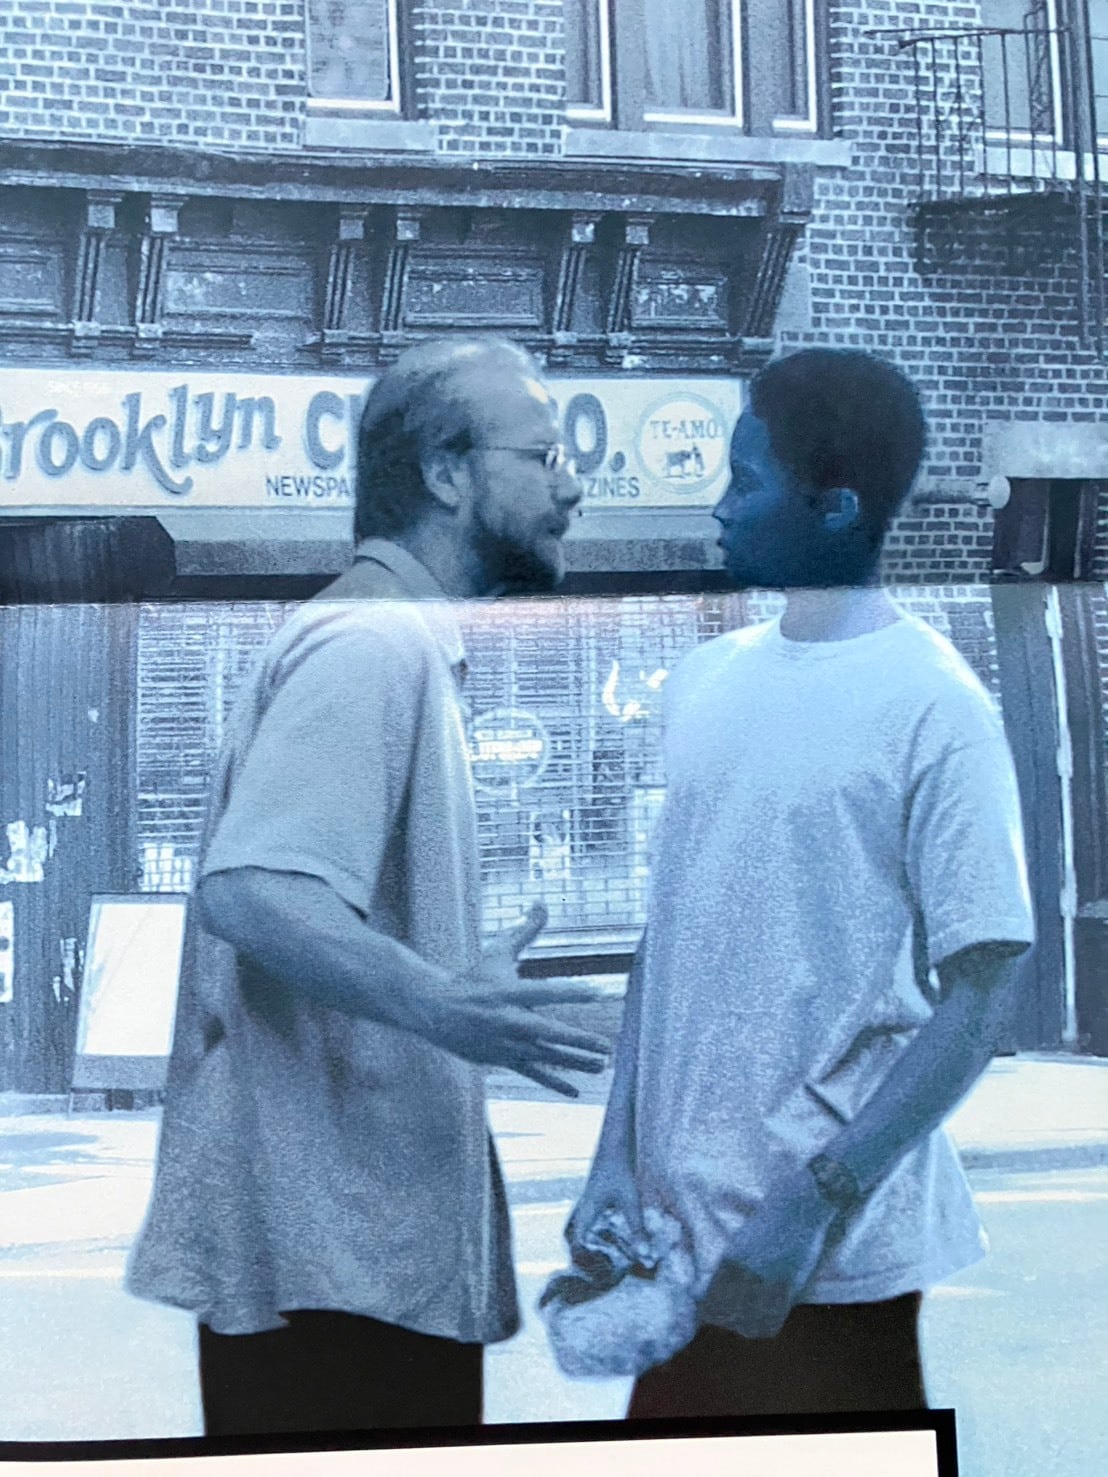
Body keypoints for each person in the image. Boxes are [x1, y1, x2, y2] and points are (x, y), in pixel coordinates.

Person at [127, 336, 608, 1436]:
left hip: (349, 1258)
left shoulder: (389, 637)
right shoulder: (370, 645)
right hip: (338, 1276)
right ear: (445, 474)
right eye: (543, 455)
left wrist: (442, 978)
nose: (572, 484)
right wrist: (440, 1002)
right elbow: (253, 890)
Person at [567, 347, 1035, 1417]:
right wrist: (611, 1162)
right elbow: (665, 945)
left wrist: (812, 1204)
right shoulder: (704, 680)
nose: (720, 506)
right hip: (676, 1241)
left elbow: (980, 998)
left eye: (745, 480)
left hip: (829, 1258)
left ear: (833, 506)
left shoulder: (936, 706)